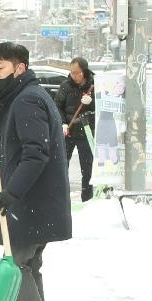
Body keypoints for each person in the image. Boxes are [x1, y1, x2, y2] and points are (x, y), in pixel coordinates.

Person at [0, 41, 72, 301]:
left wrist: (12, 192)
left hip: (31, 200)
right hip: (37, 199)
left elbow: (36, 154)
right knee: (30, 264)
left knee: (18, 263)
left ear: (19, 68)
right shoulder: (27, 95)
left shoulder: (26, 100)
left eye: (1, 68)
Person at [54, 57, 95, 202]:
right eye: (72, 73)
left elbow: (102, 108)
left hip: (86, 131)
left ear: (84, 71)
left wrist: (92, 102)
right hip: (68, 131)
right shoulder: (66, 86)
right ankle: (62, 198)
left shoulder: (94, 86)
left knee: (87, 167)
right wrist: (63, 123)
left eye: (77, 73)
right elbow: (57, 105)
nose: (75, 76)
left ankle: (87, 198)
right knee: (61, 164)